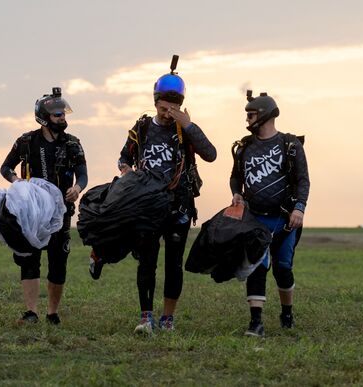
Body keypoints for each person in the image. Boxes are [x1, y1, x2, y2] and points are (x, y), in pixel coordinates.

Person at [117, 59, 217, 334]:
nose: (166, 114)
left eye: (172, 109)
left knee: (174, 263)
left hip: (179, 206)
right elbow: (124, 157)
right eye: (162, 108)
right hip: (147, 207)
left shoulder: (185, 129)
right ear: (155, 102)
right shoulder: (142, 128)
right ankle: (145, 318)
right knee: (147, 261)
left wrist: (189, 125)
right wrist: (126, 171)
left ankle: (167, 320)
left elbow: (211, 154)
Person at [0, 87, 88, 325]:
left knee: (59, 263)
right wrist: (16, 182)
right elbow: (5, 167)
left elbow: (83, 175)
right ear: (44, 117)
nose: (62, 118)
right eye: (57, 115)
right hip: (32, 214)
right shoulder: (26, 142)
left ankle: (52, 312)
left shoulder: (73, 144)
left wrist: (77, 189)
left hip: (61, 214)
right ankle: (31, 312)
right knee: (29, 260)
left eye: (64, 114)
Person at [230, 90, 310, 337]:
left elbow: (302, 180)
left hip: (285, 220)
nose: (248, 120)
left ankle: (287, 313)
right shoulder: (244, 147)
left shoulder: (290, 145)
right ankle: (256, 323)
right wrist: (236, 193)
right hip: (255, 218)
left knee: (282, 268)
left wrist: (299, 208)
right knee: (257, 265)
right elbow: (235, 177)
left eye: (251, 115)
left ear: (264, 115)